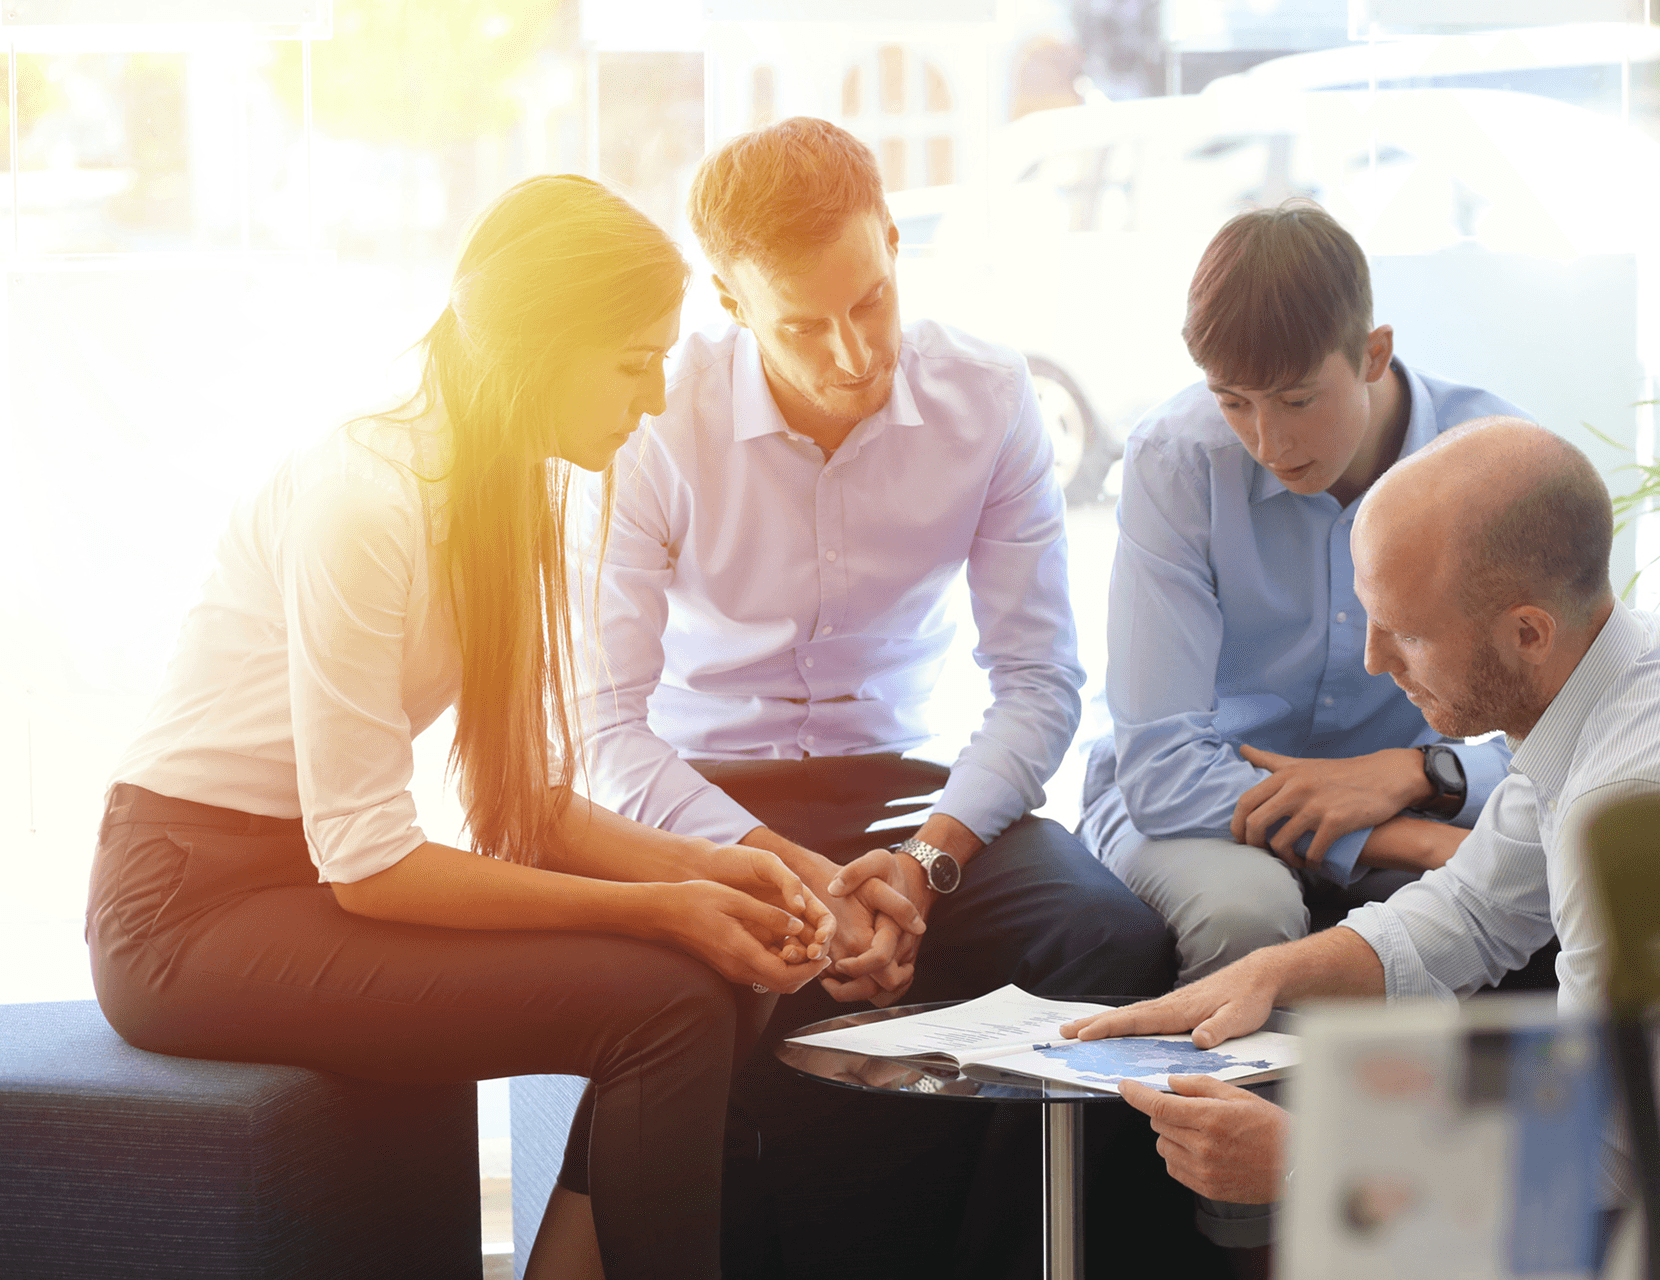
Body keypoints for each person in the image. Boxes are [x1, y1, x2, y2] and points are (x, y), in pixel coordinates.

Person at [88, 175, 837, 1280]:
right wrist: (665, 908)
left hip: (298, 885)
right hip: (182, 912)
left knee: (720, 973)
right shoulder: (364, 500)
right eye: (634, 363)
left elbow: (518, 808)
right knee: (668, 1002)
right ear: (537, 349)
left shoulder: (506, 497)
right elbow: (373, 863)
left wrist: (726, 872)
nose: (651, 400)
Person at [575, 117, 1177, 1278]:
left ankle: (1001, 1258)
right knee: (697, 992)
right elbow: (608, 728)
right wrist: (790, 874)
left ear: (895, 244)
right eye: (803, 323)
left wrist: (928, 860)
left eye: (873, 299)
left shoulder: (990, 399)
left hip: (911, 796)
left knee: (1110, 934)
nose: (852, 352)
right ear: (731, 301)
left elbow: (1041, 680)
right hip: (712, 801)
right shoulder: (652, 419)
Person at [1062, 417, 1660, 1257]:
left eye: (1406, 631)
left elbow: (1617, 1144)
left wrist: (1310, 1159)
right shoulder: (1606, 681)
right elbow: (1468, 913)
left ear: (1526, 633)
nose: (1371, 660)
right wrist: (1265, 972)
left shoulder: (1641, 802)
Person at [1078, 199, 1529, 993]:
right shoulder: (1177, 462)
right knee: (1246, 916)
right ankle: (1211, 1124)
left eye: (1295, 400)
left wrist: (1426, 773)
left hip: (1416, 796)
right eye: (1232, 402)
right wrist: (1402, 838)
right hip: (1205, 811)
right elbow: (1162, 768)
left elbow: (1564, 728)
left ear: (1373, 353)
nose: (1268, 442)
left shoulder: (1492, 463)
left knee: (1490, 901)